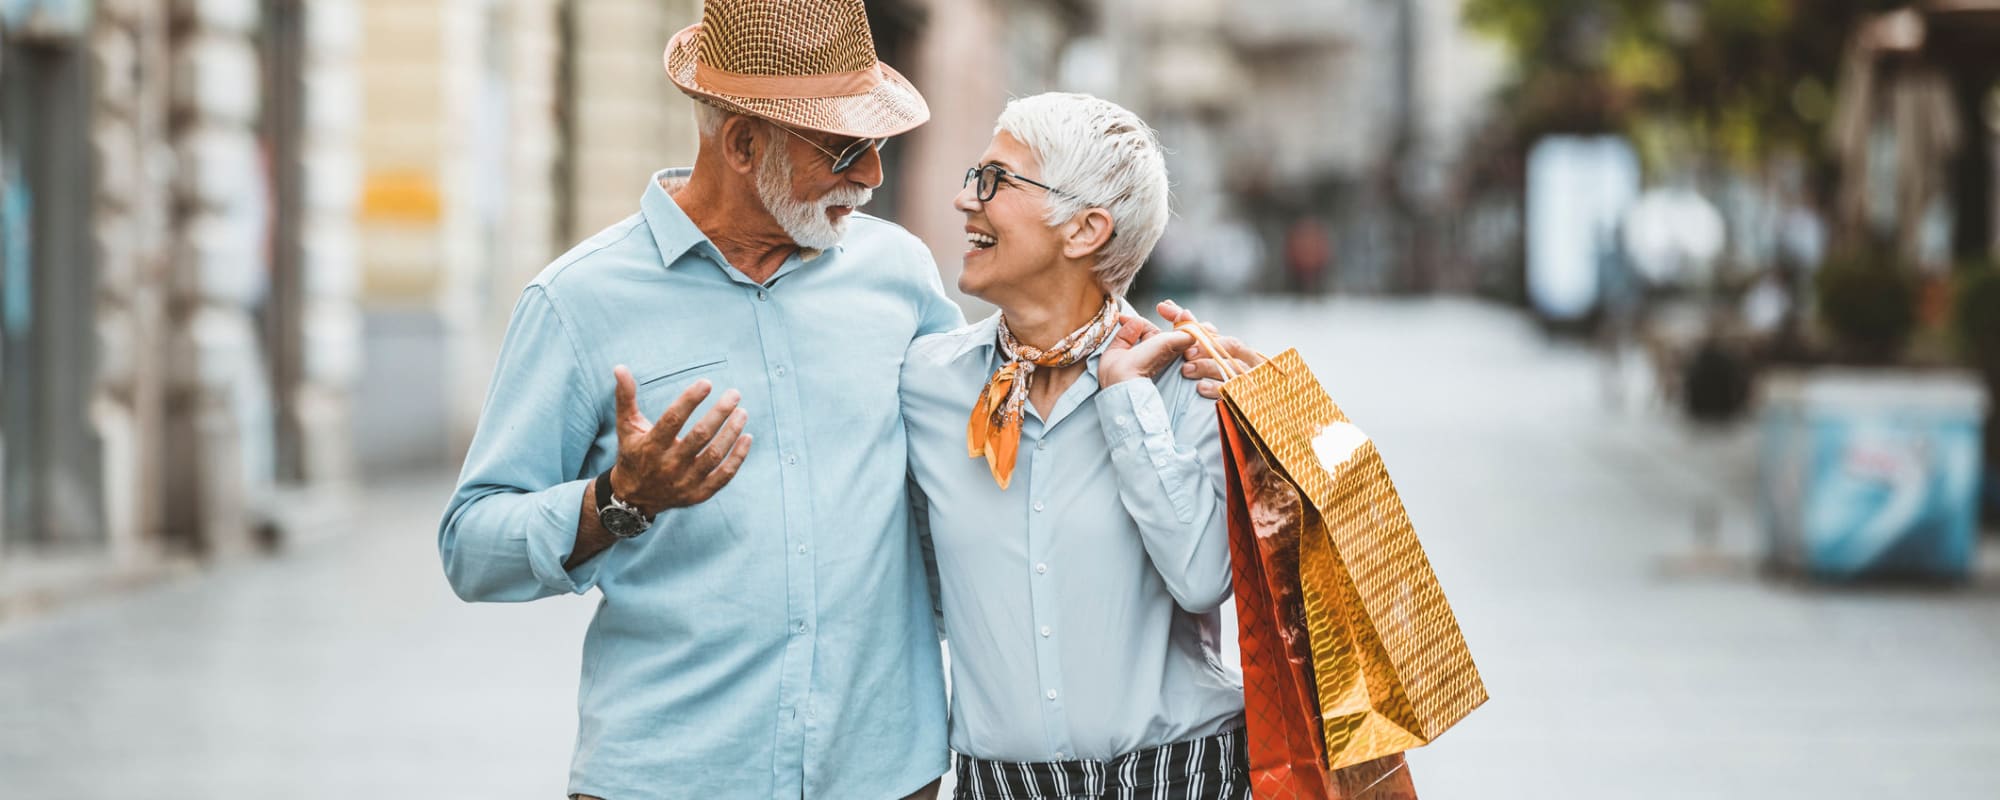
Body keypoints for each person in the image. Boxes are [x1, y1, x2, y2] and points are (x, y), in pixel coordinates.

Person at [436, 1, 965, 797]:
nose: (872, 177)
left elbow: (980, 449)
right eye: (847, 149)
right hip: (670, 774)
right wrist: (618, 501)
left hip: (883, 771)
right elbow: (471, 548)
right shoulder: (578, 300)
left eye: (881, 146)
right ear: (744, 144)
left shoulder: (900, 275)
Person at [900, 93, 1257, 799]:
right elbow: (918, 587)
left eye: (996, 180)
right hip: (998, 784)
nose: (964, 199)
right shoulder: (926, 384)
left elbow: (1201, 576)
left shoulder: (1190, 378)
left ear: (1085, 229)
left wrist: (1127, 401)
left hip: (1180, 777)